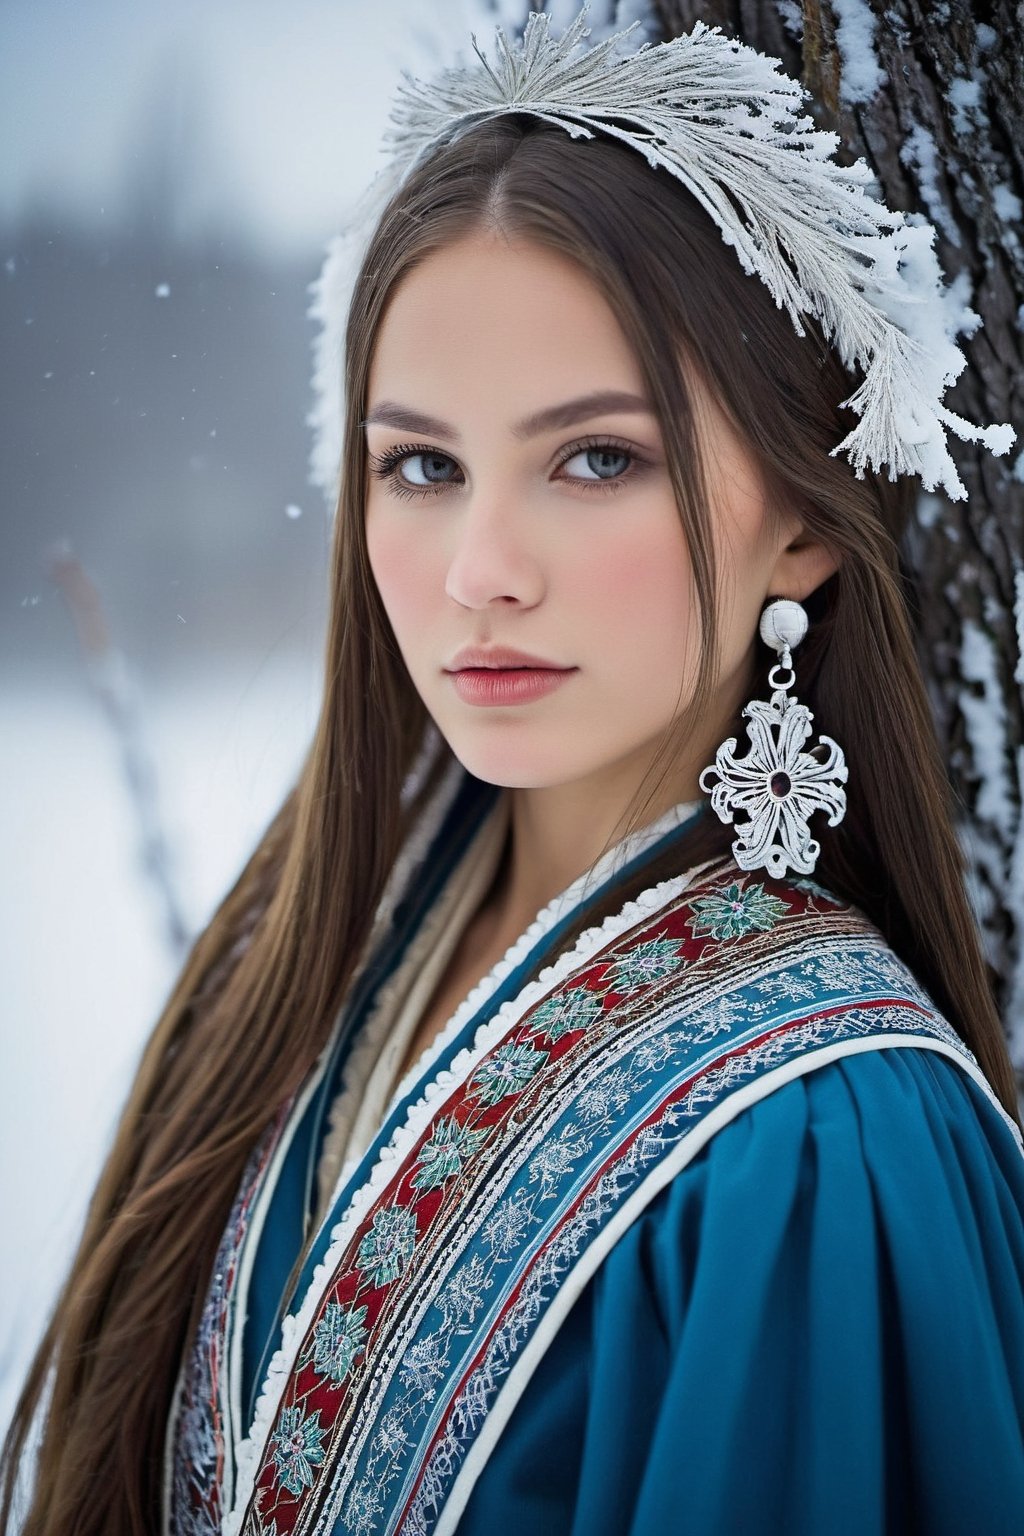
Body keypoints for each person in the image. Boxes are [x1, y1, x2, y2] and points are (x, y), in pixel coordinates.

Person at [4, 8, 1023, 1534]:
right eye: (421, 465)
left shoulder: (822, 1135)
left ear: (802, 522)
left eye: (597, 457)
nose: (479, 571)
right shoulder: (304, 960)